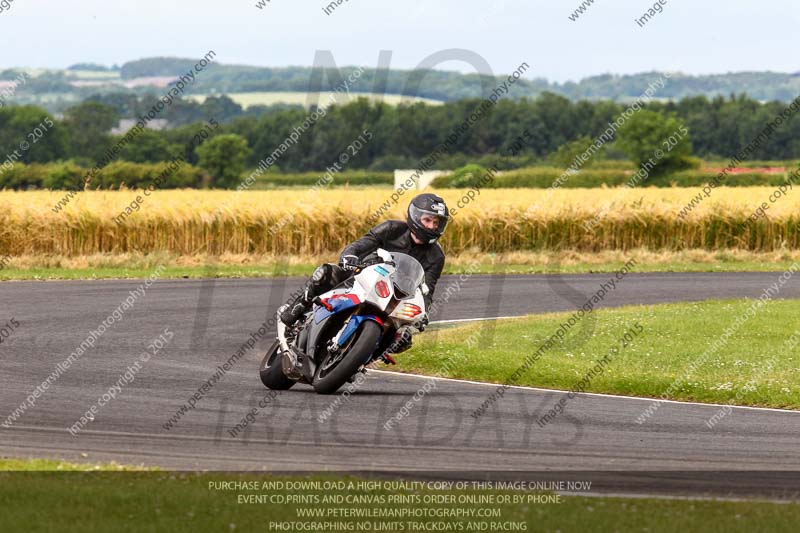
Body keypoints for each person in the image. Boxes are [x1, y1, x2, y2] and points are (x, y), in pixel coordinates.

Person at [278, 193, 449, 357]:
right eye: (427, 220)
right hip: (362, 276)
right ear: (415, 216)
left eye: (436, 222)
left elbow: (428, 289)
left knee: (403, 339)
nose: (431, 226)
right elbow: (359, 246)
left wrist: (423, 313)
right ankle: (294, 314)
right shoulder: (391, 229)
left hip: (395, 297)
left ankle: (364, 357)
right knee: (325, 274)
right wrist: (349, 256)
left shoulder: (436, 256)